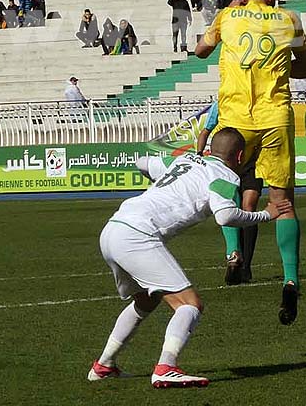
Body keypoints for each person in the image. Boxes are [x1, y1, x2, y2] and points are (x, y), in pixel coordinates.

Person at [87, 129, 291, 387]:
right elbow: (225, 216)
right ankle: (166, 367)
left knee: (146, 301)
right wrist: (266, 215)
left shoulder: (185, 160)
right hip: (138, 235)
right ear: (240, 156)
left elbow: (142, 162)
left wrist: (164, 183)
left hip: (113, 228)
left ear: (211, 149)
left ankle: (104, 365)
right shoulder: (224, 175)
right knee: (190, 304)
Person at [194, 0, 306, 324]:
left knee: (222, 189)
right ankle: (290, 279)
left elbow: (200, 52)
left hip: (235, 118)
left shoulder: (227, 16)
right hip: (274, 116)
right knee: (282, 201)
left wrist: (228, 17)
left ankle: (234, 252)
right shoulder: (289, 19)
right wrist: (277, 62)